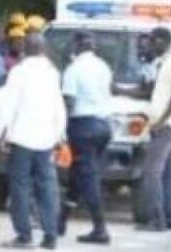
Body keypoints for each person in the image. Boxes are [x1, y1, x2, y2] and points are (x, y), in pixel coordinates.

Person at [0, 32, 66, 249]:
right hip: (46, 138)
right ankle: (50, 235)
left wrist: (2, 132)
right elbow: (58, 105)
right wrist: (59, 135)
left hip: (21, 138)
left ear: (24, 49)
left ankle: (24, 235)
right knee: (47, 187)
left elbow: (9, 104)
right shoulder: (52, 72)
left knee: (20, 188)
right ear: (44, 49)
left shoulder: (18, 72)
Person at [61, 32, 114, 244]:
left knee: (88, 176)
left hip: (82, 125)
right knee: (79, 173)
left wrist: (59, 127)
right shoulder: (103, 66)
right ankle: (60, 220)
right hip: (103, 125)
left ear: (76, 46)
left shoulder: (73, 69)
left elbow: (69, 102)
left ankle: (100, 229)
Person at [136, 27, 171, 232]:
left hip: (166, 126)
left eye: (152, 41)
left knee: (152, 172)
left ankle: (158, 221)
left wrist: (161, 120)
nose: (149, 45)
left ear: (162, 41)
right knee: (167, 174)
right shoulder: (164, 63)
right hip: (162, 124)